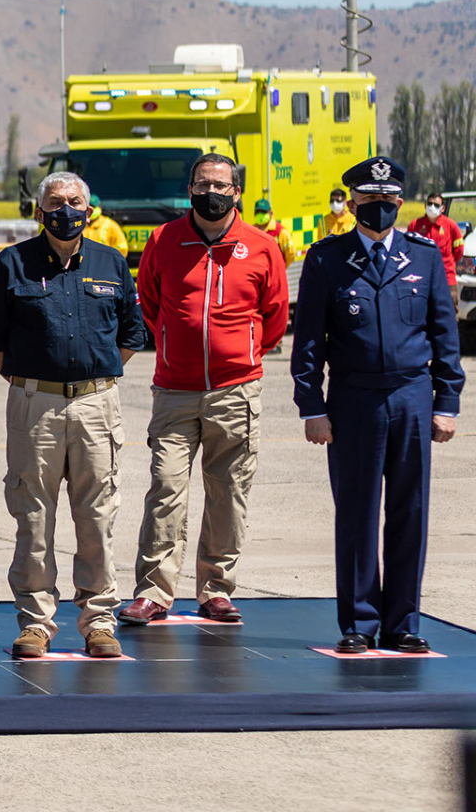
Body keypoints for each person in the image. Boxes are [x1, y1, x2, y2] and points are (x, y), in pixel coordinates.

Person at [293, 156, 463, 654]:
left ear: (399, 202)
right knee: (358, 513)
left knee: (411, 511)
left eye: (389, 201)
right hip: (353, 400)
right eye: (370, 201)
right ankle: (360, 623)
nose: (381, 210)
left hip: (412, 395)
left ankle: (403, 621)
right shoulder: (326, 259)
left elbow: (443, 335)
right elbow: (308, 345)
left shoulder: (425, 257)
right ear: (353, 203)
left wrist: (447, 400)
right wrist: (312, 407)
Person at [0, 171, 147, 660]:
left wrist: (91, 379)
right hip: (36, 405)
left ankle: (98, 621)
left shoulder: (112, 263)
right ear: (38, 210)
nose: (66, 209)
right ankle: (36, 623)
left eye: (75, 201)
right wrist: (37, 385)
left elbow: (131, 336)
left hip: (97, 405)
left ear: (89, 210)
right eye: (56, 202)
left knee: (97, 516)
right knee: (33, 516)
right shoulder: (12, 264)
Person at [121, 154, 288, 627]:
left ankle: (215, 589)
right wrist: (177, 343)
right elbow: (150, 305)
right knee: (166, 489)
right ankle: (154, 591)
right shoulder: (164, 239)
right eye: (201, 184)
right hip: (174, 390)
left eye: (220, 185)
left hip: (236, 393)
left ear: (237, 192)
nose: (210, 192)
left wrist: (243, 352)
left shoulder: (260, 246)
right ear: (189, 188)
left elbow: (274, 317)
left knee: (228, 493)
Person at [408, 193, 463, 287]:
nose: (432, 207)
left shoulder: (451, 226)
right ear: (425, 205)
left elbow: (458, 252)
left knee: (449, 301)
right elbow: (408, 249)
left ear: (443, 208)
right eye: (429, 204)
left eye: (436, 205)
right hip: (420, 277)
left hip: (446, 278)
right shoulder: (415, 225)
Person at [250, 198, 302, 266]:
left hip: (276, 274)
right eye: (258, 212)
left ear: (271, 213)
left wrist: (282, 269)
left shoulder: (281, 232)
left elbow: (291, 255)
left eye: (263, 212)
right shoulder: (251, 231)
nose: (260, 214)